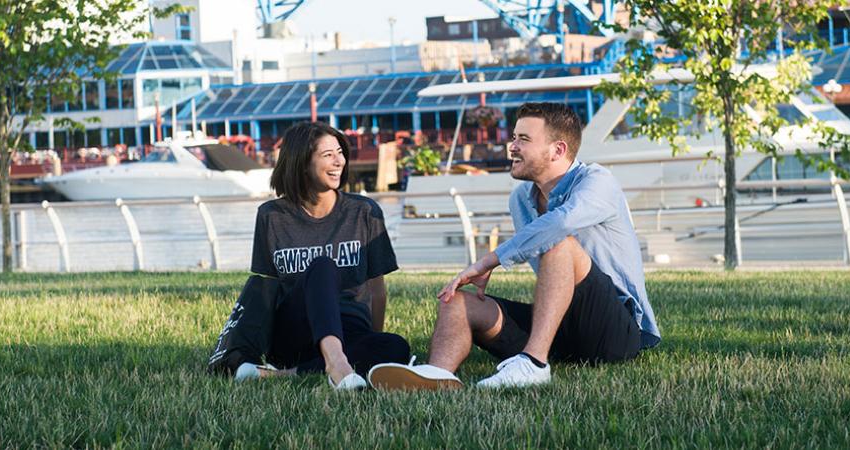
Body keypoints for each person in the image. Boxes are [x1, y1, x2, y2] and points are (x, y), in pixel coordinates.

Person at [368, 103, 660, 390]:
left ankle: (533, 363)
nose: (512, 146)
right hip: (560, 330)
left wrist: (489, 261)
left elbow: (561, 222)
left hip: (616, 331)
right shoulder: (521, 199)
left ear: (557, 150)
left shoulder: (597, 181)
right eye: (514, 137)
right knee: (457, 300)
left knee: (560, 244)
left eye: (524, 139)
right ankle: (436, 374)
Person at [234, 121, 410, 390]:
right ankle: (337, 364)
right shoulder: (271, 216)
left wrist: (371, 338)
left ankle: (284, 375)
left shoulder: (364, 211)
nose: (338, 161)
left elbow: (377, 291)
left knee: (395, 347)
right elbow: (266, 290)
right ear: (302, 162)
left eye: (340, 152)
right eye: (328, 155)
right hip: (296, 332)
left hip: (350, 325)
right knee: (323, 267)